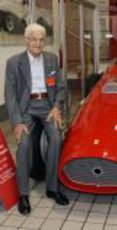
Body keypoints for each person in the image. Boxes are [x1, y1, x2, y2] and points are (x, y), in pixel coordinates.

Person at [4, 23, 69, 215]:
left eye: (41, 40)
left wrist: (57, 107)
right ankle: (23, 194)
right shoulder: (14, 63)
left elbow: (61, 88)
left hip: (47, 108)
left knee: (56, 139)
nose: (38, 43)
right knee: (23, 143)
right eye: (33, 39)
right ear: (26, 41)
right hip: (27, 109)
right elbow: (10, 96)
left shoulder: (51, 59)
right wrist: (16, 122)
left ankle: (52, 187)